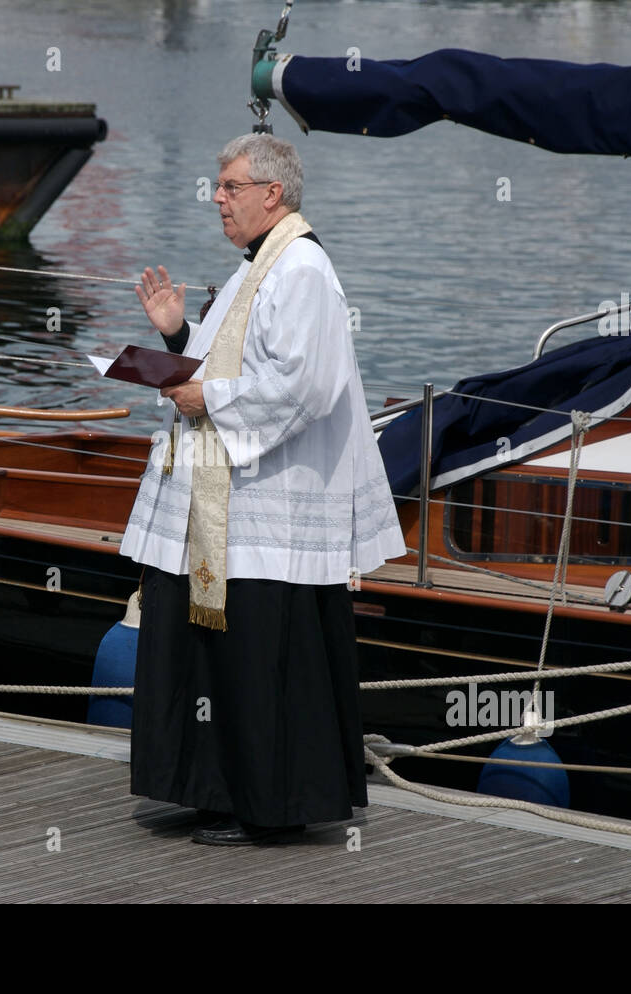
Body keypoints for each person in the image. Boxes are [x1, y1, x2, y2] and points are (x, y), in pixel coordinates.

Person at [120, 133, 406, 845]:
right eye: (218, 186)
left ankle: (268, 807)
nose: (217, 197)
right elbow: (227, 364)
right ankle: (216, 790)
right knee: (217, 654)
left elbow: (303, 387)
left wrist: (208, 401)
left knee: (260, 661)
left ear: (271, 194)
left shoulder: (300, 269)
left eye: (229, 186)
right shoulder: (258, 269)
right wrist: (178, 333)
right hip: (233, 505)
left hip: (271, 505)